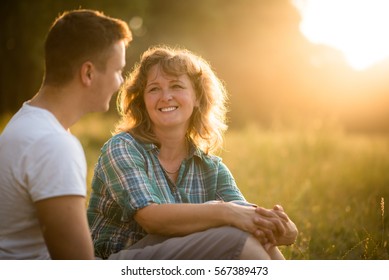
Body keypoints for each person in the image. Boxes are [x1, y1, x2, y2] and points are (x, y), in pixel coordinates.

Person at [87, 45, 298, 260]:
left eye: (176, 86)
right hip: (112, 263)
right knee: (235, 238)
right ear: (143, 101)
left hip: (174, 262)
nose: (165, 96)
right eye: (154, 89)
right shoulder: (123, 147)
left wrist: (284, 228)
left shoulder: (212, 168)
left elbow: (247, 220)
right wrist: (224, 212)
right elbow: (151, 218)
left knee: (243, 234)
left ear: (197, 97)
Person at [0, 9, 132, 259]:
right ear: (88, 73)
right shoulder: (54, 145)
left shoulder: (26, 121)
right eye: (118, 71)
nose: (120, 82)